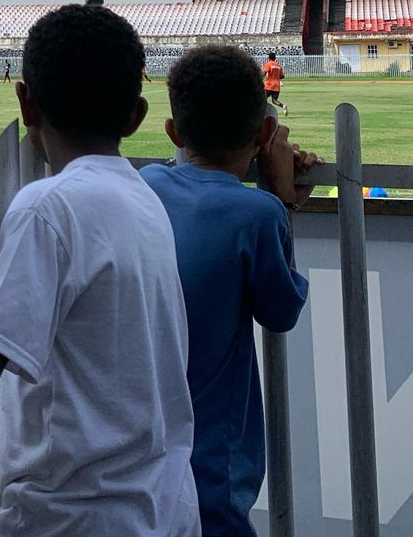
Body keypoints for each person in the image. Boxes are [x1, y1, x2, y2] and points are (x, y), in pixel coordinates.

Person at [0, 5, 199, 535]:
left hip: (74, 513)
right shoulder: (143, 198)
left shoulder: (48, 206)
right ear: (135, 117)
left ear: (26, 102)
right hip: (162, 504)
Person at [141, 45, 317, 537]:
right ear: (263, 134)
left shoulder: (148, 182)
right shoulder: (256, 215)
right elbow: (281, 313)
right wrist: (282, 199)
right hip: (209, 459)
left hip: (138, 446)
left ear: (174, 132)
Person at [261, 51, 288, 116]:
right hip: (277, 85)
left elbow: (264, 73)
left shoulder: (268, 64)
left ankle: (262, 112)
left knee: (263, 99)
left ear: (269, 58)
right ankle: (283, 106)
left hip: (269, 85)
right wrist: (276, 76)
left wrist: (259, 78)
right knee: (274, 100)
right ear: (275, 58)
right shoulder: (278, 65)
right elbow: (282, 76)